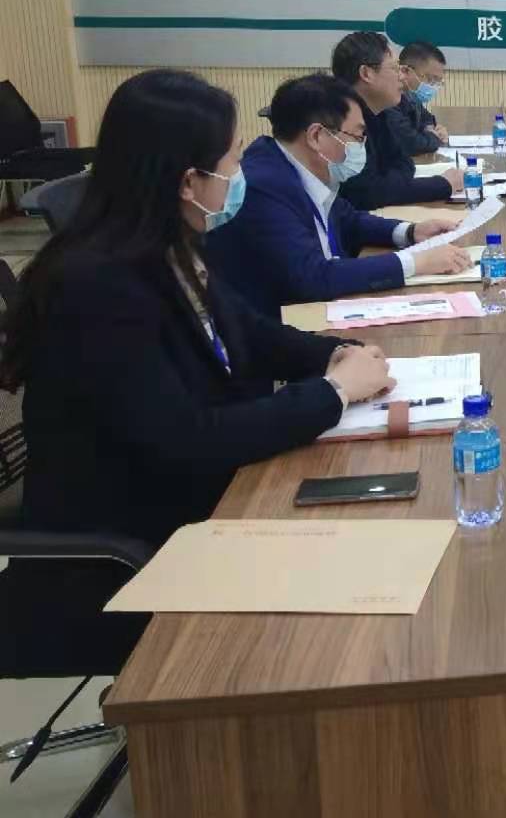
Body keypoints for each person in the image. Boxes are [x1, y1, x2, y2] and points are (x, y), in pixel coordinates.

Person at [0, 70, 396, 672]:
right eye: (232, 160)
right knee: (355, 616)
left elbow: (247, 332)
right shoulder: (98, 288)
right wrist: (333, 393)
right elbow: (189, 439)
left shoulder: (166, 244)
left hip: (200, 499)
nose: (242, 173)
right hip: (135, 549)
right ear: (188, 181)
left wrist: (336, 354)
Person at [206, 74, 473, 318]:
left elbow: (348, 219)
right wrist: (415, 262)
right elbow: (313, 276)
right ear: (316, 136)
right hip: (287, 326)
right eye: (357, 136)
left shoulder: (298, 167)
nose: (361, 145)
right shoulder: (263, 185)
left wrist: (410, 232)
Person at [331, 31, 462, 209]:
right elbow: (368, 193)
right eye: (394, 68)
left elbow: (404, 164)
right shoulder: (340, 121)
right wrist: (442, 185)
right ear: (366, 73)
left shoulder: (378, 113)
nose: (401, 76)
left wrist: (389, 183)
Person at [391, 39, 451, 156]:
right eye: (430, 79)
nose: (433, 85)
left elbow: (426, 118)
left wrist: (433, 129)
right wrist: (434, 137)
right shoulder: (388, 100)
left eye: (438, 81)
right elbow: (410, 143)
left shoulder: (410, 96)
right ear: (406, 71)